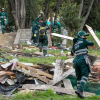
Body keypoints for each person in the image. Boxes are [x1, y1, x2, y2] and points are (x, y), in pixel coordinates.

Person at [71, 31, 94, 99]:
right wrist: (87, 41)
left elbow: (72, 53)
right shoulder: (83, 41)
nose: (85, 37)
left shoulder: (75, 44)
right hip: (82, 59)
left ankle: (79, 95)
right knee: (85, 75)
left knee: (79, 77)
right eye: (84, 36)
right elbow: (92, 43)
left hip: (76, 61)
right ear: (81, 36)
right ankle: (80, 90)